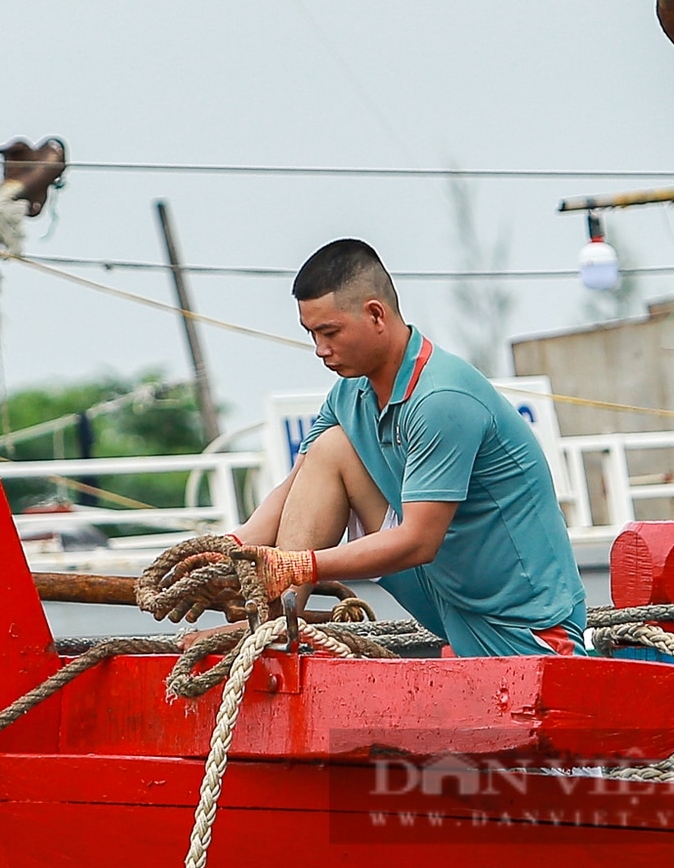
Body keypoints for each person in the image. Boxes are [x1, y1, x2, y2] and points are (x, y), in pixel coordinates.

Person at [225, 238, 587, 657]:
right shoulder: (349, 394)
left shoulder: (441, 400)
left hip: (525, 624)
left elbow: (419, 540)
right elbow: (297, 483)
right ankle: (265, 638)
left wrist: (305, 564)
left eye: (330, 332)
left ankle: (266, 635)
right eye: (312, 335)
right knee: (331, 449)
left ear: (376, 314)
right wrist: (233, 548)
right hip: (447, 598)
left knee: (336, 456)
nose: (320, 350)